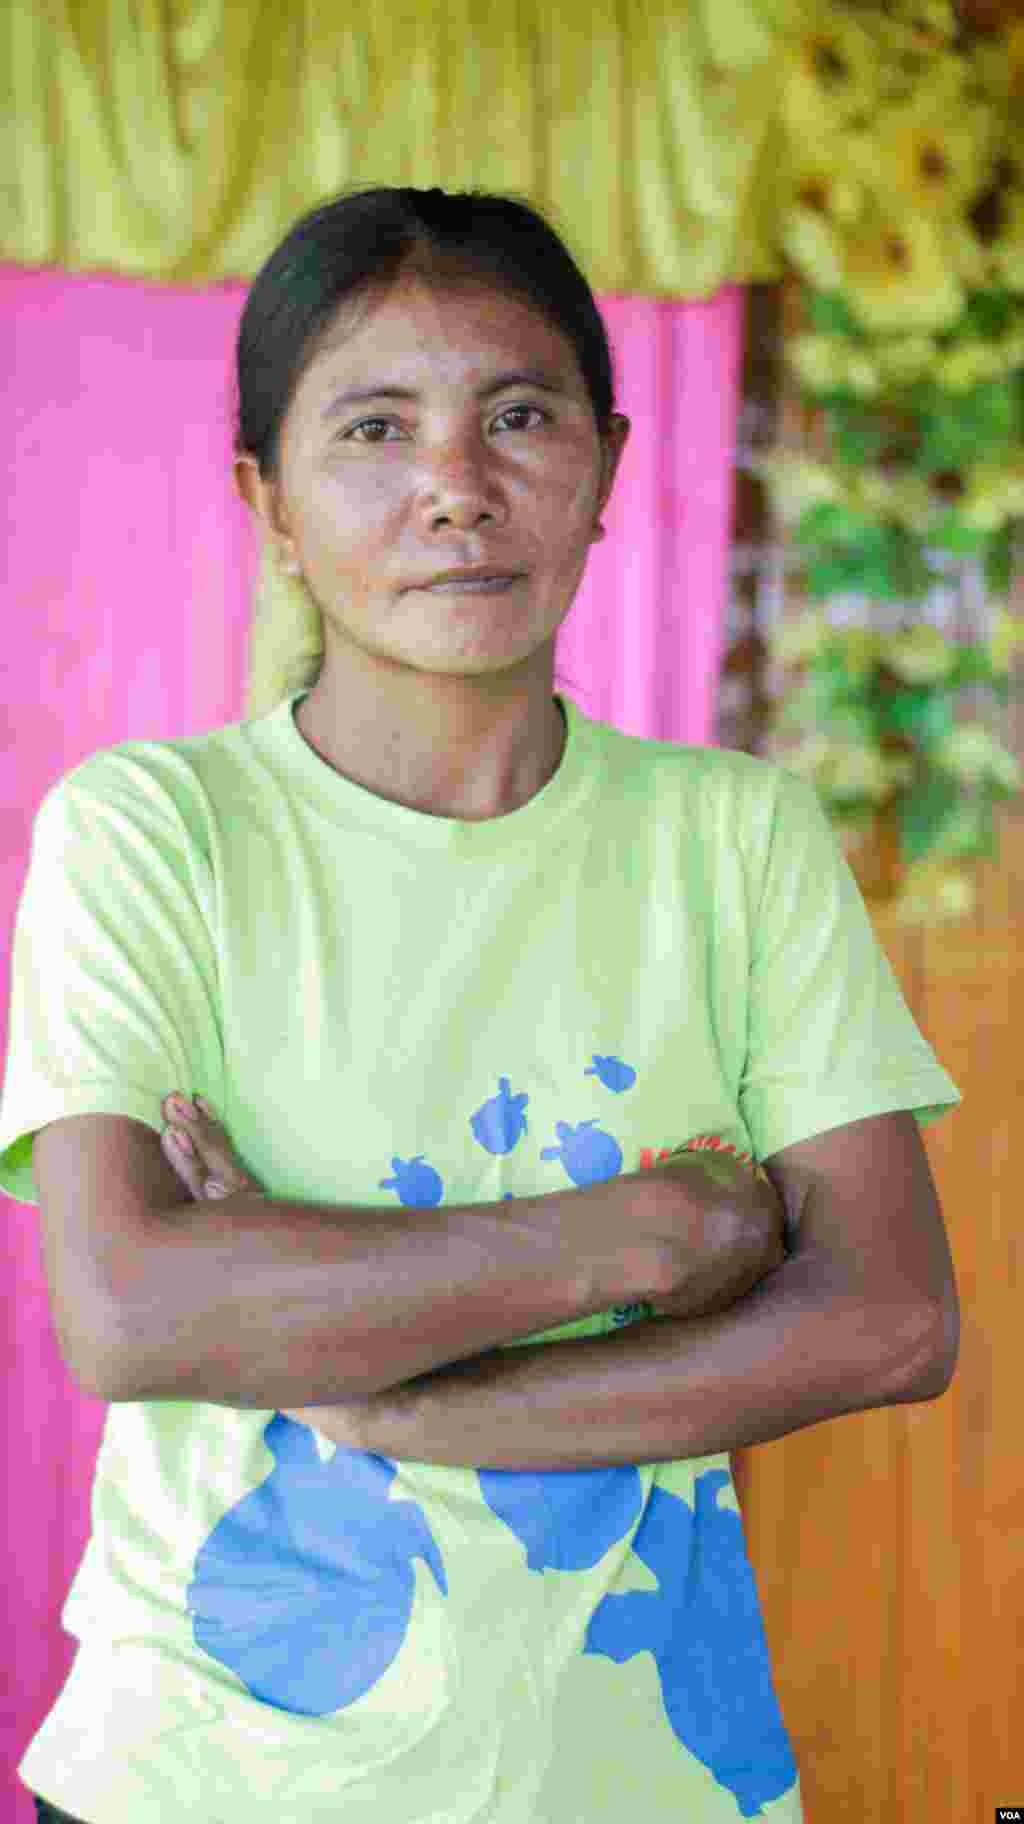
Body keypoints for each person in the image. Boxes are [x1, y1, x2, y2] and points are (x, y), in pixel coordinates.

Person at [0, 184, 961, 1824]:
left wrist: (378, 1394)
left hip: (649, 1778)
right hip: (207, 1775)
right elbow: (135, 1311)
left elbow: (889, 1320)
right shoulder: (152, 828)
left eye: (519, 415)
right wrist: (649, 1237)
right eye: (374, 427)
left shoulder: (732, 835)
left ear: (605, 466)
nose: (457, 488)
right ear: (269, 502)